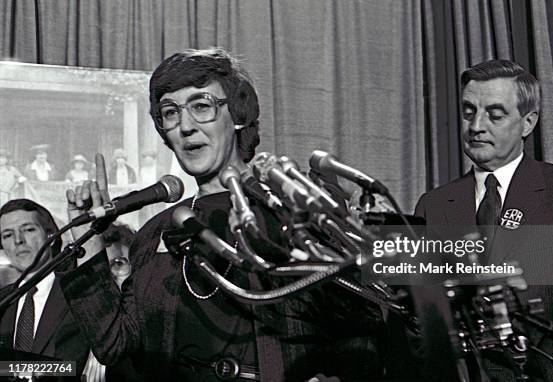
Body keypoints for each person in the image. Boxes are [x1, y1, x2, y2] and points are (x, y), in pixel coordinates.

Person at [60, 48, 402, 382]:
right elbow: (115, 344)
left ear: (238, 115)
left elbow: (364, 331)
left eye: (201, 106)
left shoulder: (295, 212)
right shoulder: (157, 233)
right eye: (170, 113)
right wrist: (87, 239)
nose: (185, 126)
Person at [414, 59, 553, 381]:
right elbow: (419, 316)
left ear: (528, 122)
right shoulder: (432, 205)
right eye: (468, 112)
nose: (476, 126)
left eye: (495, 114)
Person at [0, 199, 89, 375]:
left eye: (29, 229)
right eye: (7, 235)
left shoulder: (80, 294)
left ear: (51, 235)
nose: (18, 240)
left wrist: (6, 368)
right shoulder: (2, 300)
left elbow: (71, 368)